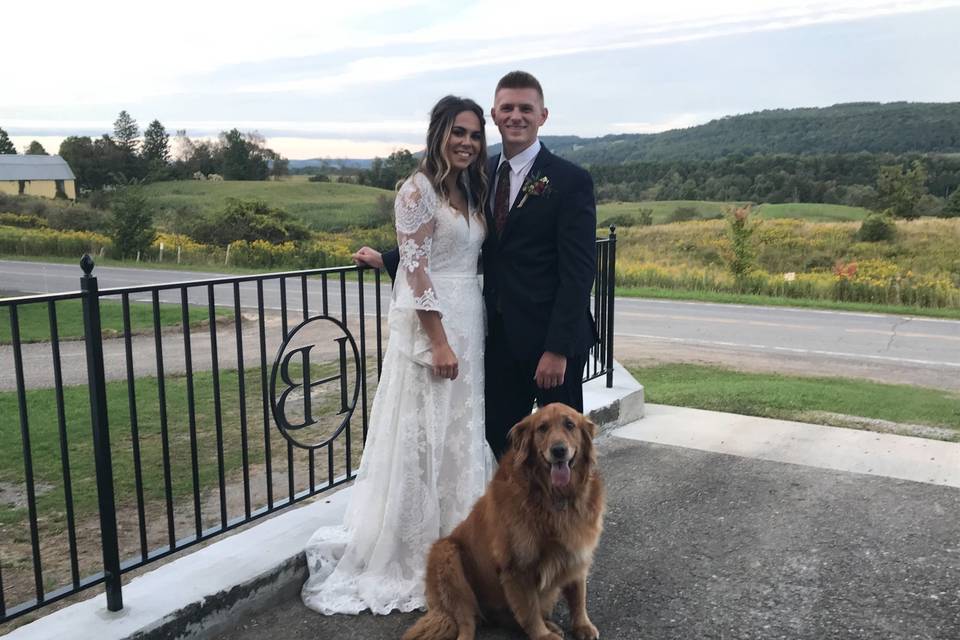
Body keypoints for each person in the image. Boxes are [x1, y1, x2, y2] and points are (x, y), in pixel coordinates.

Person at [302, 96, 495, 615]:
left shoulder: (468, 189)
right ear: (438, 133)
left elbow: (442, 254)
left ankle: (461, 548)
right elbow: (417, 271)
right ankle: (414, 553)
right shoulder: (417, 190)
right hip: (435, 329)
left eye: (476, 135)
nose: (467, 142)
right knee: (424, 435)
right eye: (459, 132)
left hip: (468, 321)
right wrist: (438, 340)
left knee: (457, 433)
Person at [354, 71, 597, 458]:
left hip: (550, 345)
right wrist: (387, 258)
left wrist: (558, 349)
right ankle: (508, 519)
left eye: (525, 108)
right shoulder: (481, 175)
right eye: (507, 108)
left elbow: (579, 272)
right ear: (496, 116)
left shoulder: (571, 181)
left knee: (561, 454)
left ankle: (566, 521)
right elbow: (455, 239)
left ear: (543, 115)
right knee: (498, 445)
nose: (516, 116)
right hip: (495, 341)